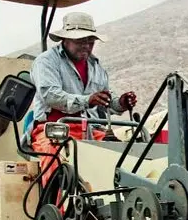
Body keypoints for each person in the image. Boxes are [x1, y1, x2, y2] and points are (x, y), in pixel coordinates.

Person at [27, 11, 137, 186]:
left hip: (90, 131)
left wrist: (121, 103)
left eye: (90, 41)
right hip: (53, 130)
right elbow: (51, 96)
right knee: (56, 164)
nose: (86, 46)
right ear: (66, 39)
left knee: (124, 158)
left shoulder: (96, 67)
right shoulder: (46, 62)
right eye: (81, 40)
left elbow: (107, 99)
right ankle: (58, 208)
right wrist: (88, 100)